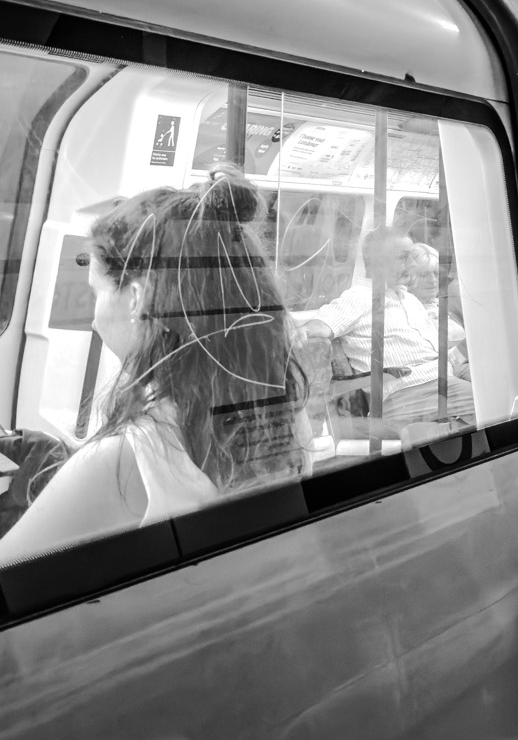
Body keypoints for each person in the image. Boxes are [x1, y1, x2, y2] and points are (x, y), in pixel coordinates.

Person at [0, 168, 308, 563]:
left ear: (136, 297)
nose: (94, 321)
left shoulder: (124, 463)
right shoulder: (285, 414)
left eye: (97, 293)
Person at [297, 225, 474, 428]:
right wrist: (302, 331)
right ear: (377, 261)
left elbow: (431, 352)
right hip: (409, 390)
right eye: (403, 257)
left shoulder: (408, 299)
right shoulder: (360, 297)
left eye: (411, 257)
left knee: (496, 382)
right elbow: (321, 325)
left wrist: (465, 349)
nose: (411, 264)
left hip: (443, 376)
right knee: (488, 401)